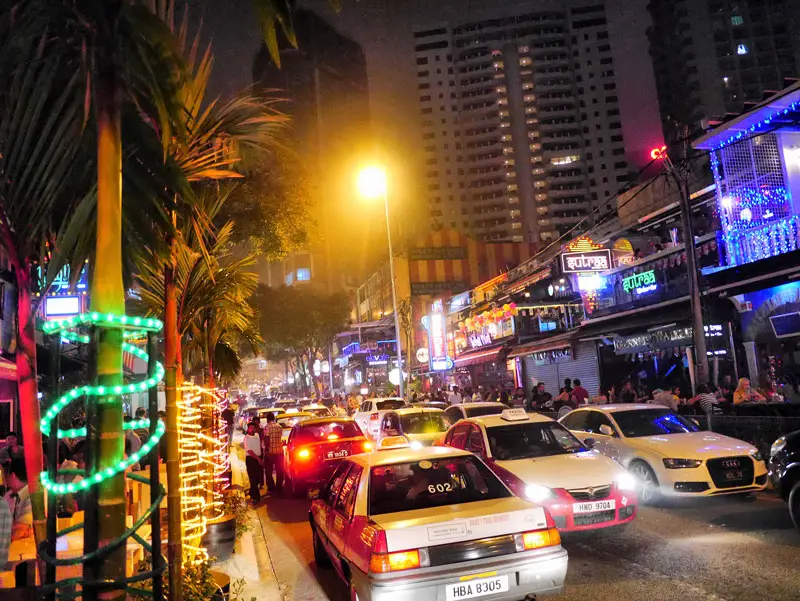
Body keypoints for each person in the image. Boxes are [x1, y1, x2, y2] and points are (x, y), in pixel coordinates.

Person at [6, 459, 32, 541]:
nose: (5, 481)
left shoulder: (33, 494)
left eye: (6, 475)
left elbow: (21, 529)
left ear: (13, 476)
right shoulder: (11, 494)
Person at [263, 412, 284, 495]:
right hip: (279, 451)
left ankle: (272, 487)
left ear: (267, 419)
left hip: (270, 452)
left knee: (268, 471)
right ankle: (279, 487)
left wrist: (267, 450)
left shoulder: (267, 427)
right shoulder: (279, 427)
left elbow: (266, 438)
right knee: (280, 470)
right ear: (274, 418)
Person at [242, 423, 263, 503]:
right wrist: (258, 459)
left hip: (258, 459)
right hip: (251, 459)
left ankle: (252, 493)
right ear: (248, 429)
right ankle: (256, 497)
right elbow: (249, 451)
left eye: (253, 428)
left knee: (258, 479)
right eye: (250, 428)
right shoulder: (246, 438)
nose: (252, 429)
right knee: (253, 478)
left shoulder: (257, 435)